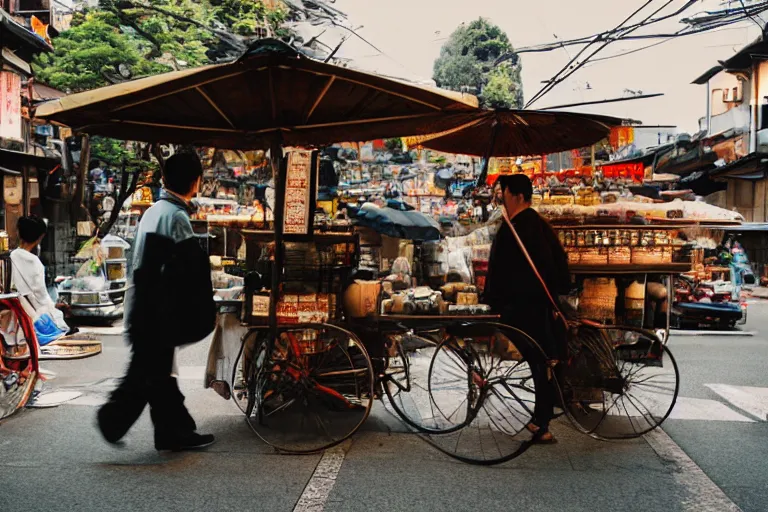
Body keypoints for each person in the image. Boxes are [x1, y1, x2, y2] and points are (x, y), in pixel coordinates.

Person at [97, 152, 215, 452]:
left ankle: (173, 432)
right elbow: (189, 265)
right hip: (157, 308)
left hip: (144, 302)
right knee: (148, 374)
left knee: (157, 373)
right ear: (195, 181)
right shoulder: (176, 216)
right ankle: (112, 420)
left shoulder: (154, 210)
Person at [483, 174, 570, 444]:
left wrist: (492, 302)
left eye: (504, 194)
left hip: (522, 306)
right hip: (534, 303)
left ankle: (541, 422)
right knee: (541, 362)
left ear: (518, 196)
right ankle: (539, 420)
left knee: (539, 362)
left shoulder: (520, 227)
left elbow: (500, 269)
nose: (501, 199)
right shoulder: (536, 224)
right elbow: (558, 264)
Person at [11, 216, 73, 343]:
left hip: (13, 316)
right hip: (31, 318)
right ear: (40, 237)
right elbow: (41, 296)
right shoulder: (35, 262)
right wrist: (54, 310)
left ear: (18, 232)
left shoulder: (10, 257)